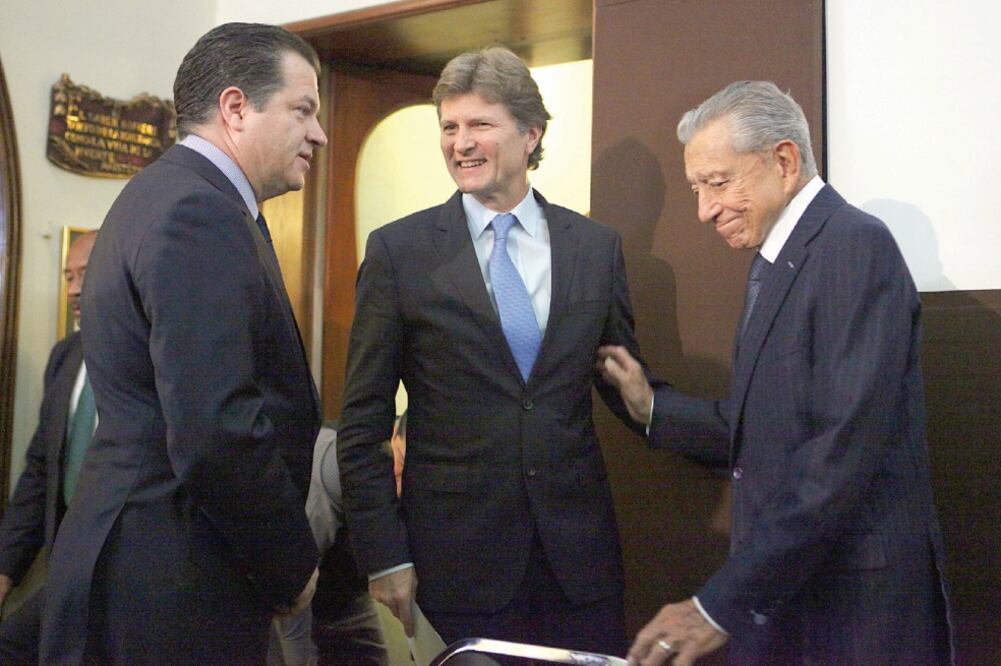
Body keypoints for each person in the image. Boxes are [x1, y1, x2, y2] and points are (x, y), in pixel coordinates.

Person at [598, 81, 953, 665]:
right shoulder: (784, 257)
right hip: (799, 604)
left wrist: (718, 606)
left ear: (784, 161)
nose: (704, 210)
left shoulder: (852, 246)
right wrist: (652, 407)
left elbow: (838, 452)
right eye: (696, 189)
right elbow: (767, 425)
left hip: (853, 615)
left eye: (717, 183)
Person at [337, 46, 646, 655]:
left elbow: (624, 385)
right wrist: (383, 556)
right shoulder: (400, 252)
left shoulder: (593, 248)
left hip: (578, 566)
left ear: (531, 133)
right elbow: (362, 424)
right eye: (449, 127)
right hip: (457, 566)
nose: (460, 143)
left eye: (480, 124)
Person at [39, 22, 327, 665]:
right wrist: (289, 565)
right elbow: (217, 425)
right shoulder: (198, 210)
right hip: (170, 577)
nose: (319, 133)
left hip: (152, 561)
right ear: (235, 107)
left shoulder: (168, 194)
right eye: (303, 110)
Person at [0, 231, 97, 664]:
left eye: (85, 275)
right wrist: (5, 568)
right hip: (67, 568)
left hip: (129, 573)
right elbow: (40, 471)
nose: (73, 288)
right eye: (68, 276)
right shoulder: (65, 357)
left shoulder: (151, 355)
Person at [270, 422, 389, 666]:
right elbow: (293, 588)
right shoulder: (333, 470)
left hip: (348, 593)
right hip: (289, 597)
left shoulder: (421, 478)